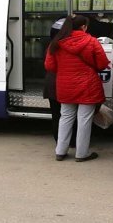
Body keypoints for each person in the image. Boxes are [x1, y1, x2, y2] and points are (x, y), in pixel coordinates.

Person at [44, 15, 110, 162]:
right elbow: (102, 64)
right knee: (84, 119)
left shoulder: (56, 43)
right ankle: (82, 153)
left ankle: (60, 151)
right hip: (87, 85)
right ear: (84, 27)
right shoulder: (91, 41)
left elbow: (50, 66)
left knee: (65, 117)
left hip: (65, 85)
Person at [43, 18, 76, 147]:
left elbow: (48, 65)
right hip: (65, 84)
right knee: (70, 115)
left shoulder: (52, 45)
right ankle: (71, 142)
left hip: (52, 83)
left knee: (57, 115)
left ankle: (60, 142)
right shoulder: (71, 45)